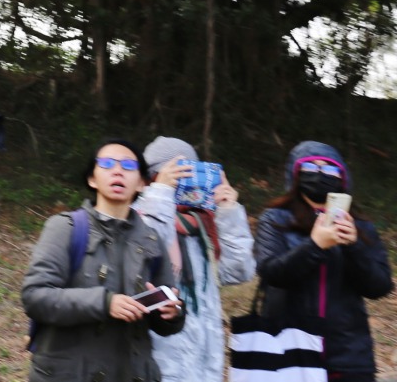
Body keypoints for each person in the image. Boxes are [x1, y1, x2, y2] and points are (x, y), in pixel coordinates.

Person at [21, 139, 184, 382]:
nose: (118, 170)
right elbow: (35, 297)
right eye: (107, 164)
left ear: (141, 183)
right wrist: (105, 303)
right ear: (92, 179)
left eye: (128, 166)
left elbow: (167, 318)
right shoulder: (65, 228)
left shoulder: (152, 238)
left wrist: (173, 313)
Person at [255, 140, 393, 382]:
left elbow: (379, 286)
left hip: (348, 358)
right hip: (287, 351)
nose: (319, 175)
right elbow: (271, 272)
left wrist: (353, 247)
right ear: (296, 175)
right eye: (310, 168)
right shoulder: (275, 219)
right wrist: (315, 245)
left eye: (328, 169)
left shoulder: (361, 227)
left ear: (342, 177)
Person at [136, 136, 256, 382]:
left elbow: (238, 271)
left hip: (204, 364)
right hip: (158, 363)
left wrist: (229, 212)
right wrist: (162, 194)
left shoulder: (202, 226)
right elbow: (144, 258)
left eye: (192, 173)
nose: (186, 183)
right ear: (152, 177)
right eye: (178, 174)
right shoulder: (139, 217)